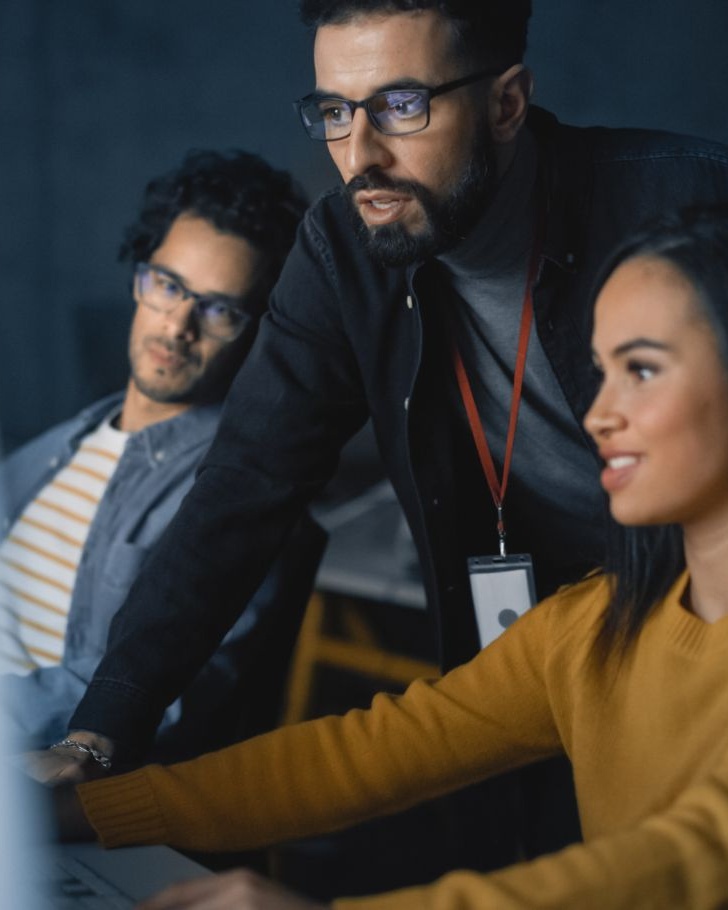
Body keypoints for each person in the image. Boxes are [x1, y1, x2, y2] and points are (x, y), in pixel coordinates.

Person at [38, 0, 728, 872]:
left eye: (403, 105)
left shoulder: (687, 205)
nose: (359, 154)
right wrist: (97, 754)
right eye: (334, 110)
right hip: (560, 633)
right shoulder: (343, 247)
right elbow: (244, 489)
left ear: (508, 103)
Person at [0, 149, 324, 763]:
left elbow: (157, 694)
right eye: (168, 285)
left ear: (255, 329)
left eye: (219, 309)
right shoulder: (55, 448)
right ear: (138, 275)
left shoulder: (240, 499)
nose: (178, 325)